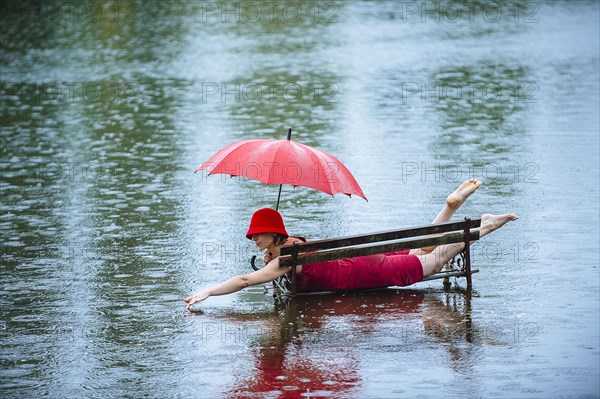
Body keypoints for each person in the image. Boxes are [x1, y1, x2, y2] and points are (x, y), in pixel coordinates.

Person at [184, 180, 518, 309]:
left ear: (273, 235)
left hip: (371, 273)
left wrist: (208, 292)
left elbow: (244, 281)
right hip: (370, 260)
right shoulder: (297, 244)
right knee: (425, 251)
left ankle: (478, 227)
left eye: (258, 234)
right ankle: (454, 209)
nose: (254, 239)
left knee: (439, 257)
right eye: (253, 236)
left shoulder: (285, 259)